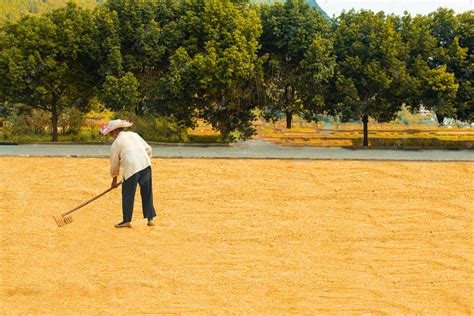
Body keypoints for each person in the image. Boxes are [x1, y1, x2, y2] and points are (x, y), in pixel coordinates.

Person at [100, 119, 156, 228]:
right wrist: (146, 161)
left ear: (115, 131)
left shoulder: (116, 143)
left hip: (132, 167)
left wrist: (114, 180)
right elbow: (149, 149)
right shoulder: (134, 135)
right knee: (147, 192)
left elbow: (114, 164)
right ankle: (150, 219)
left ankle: (126, 220)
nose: (111, 135)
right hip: (145, 164)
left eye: (111, 132)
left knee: (128, 194)